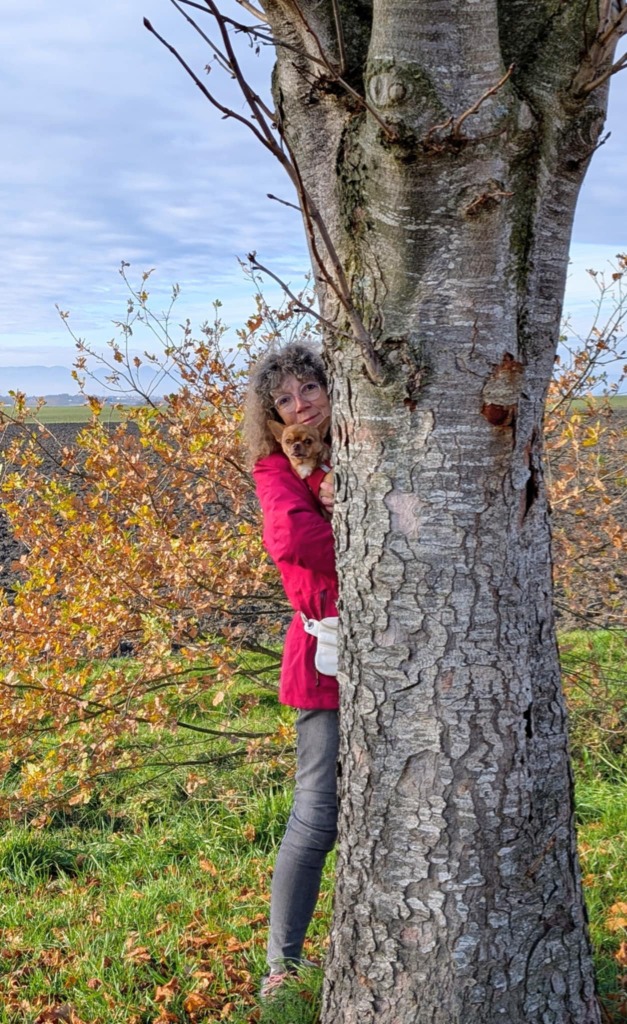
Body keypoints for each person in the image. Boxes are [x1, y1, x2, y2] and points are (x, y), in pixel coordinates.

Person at [243, 341, 338, 998]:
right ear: (271, 416)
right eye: (284, 399)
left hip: (401, 651)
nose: (300, 404)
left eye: (309, 388)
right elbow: (293, 540)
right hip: (325, 655)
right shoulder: (276, 471)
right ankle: (283, 966)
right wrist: (376, 530)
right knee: (316, 811)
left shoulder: (360, 452)